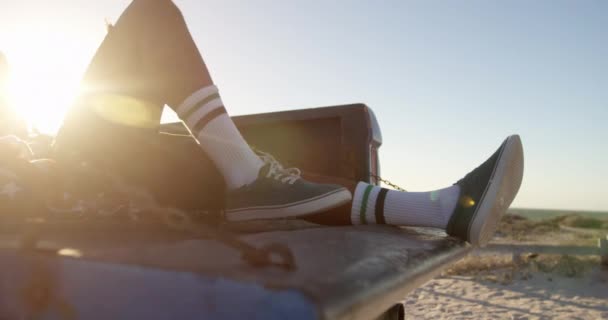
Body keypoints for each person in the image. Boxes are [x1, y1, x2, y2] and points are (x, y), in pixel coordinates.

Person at [54, 0, 524, 246]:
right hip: (60, 172)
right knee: (150, 14)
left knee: (277, 182)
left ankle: (440, 210)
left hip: (79, 173)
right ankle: (246, 177)